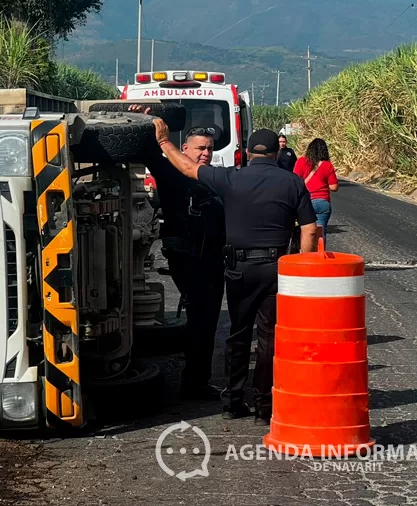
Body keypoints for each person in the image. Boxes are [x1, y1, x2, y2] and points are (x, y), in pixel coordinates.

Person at [150, 118, 318, 425]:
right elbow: (309, 230)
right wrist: (303, 269)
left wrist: (163, 140)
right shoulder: (292, 181)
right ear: (275, 154)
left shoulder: (230, 178)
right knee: (269, 338)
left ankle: (233, 400)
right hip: (276, 269)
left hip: (239, 269)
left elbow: (187, 169)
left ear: (249, 153)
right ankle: (265, 405)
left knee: (239, 335)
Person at [129, 105, 226, 402]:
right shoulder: (171, 171)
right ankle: (195, 383)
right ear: (184, 148)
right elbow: (149, 153)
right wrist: (147, 119)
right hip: (188, 257)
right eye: (199, 148)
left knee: (206, 322)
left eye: (209, 149)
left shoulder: (214, 177)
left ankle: (197, 379)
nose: (205, 154)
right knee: (201, 318)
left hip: (212, 258)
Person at [293, 138, 339, 244]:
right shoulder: (327, 165)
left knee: (305, 232)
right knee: (321, 233)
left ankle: (305, 256)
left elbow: (295, 182)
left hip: (305, 203)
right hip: (323, 202)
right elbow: (333, 187)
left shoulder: (301, 161)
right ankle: (320, 256)